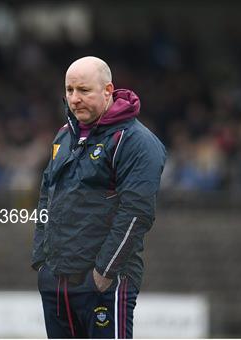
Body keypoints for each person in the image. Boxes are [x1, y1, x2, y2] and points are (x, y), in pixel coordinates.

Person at [32, 56, 166, 338]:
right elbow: (47, 193)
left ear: (107, 91)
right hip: (57, 281)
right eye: (69, 91)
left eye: (84, 90)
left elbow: (137, 213)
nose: (75, 98)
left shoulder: (136, 142)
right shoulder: (64, 135)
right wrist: (42, 261)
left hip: (103, 283)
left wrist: (103, 274)